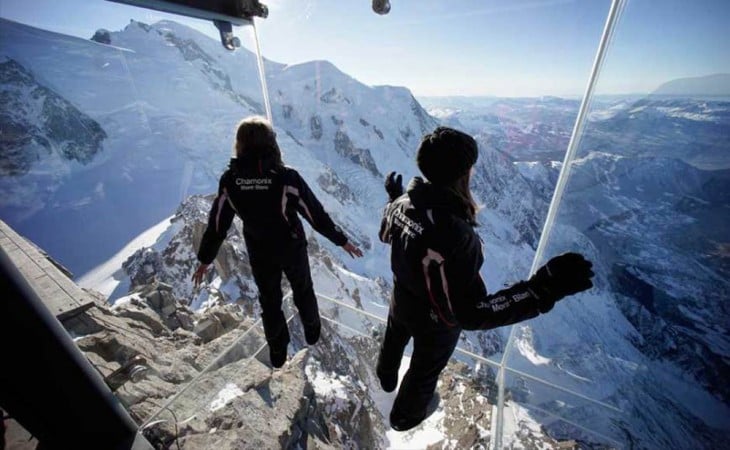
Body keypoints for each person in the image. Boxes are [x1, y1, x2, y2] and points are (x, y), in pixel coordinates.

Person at [377, 126, 594, 431]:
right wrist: (541, 290)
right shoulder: (457, 233)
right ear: (464, 174)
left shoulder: (401, 205)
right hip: (436, 324)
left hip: (401, 301)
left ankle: (385, 377)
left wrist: (394, 200)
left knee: (394, 339)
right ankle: (405, 418)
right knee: (423, 372)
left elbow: (387, 235)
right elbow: (472, 313)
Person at [192, 116, 363, 368]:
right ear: (271, 142)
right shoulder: (286, 178)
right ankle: (312, 330)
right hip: (291, 246)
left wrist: (205, 259)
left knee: (269, 301)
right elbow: (314, 213)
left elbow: (218, 224)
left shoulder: (230, 180)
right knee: (303, 289)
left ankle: (277, 351)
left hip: (259, 250)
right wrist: (341, 240)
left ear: (239, 145)